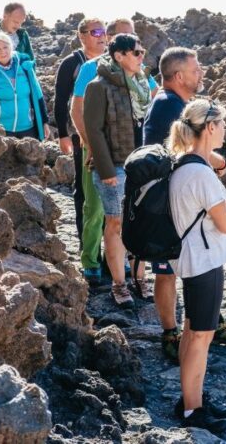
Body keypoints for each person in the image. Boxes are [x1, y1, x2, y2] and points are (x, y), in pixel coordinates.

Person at [142, 47, 226, 363]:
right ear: (178, 76)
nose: (200, 73)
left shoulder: (174, 104)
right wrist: (213, 163)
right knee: (166, 273)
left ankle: (206, 323)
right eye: (195, 69)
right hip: (168, 211)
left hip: (172, 205)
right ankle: (173, 334)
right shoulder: (168, 107)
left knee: (177, 272)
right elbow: (176, 151)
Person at [167, 99, 226, 433]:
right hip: (204, 260)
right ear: (209, 127)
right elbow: (224, 226)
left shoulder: (182, 165)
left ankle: (190, 398)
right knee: (202, 335)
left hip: (190, 257)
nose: (225, 129)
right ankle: (192, 410)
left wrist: (224, 216)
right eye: (223, 124)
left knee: (191, 331)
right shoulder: (203, 174)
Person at [71, 18, 156, 284]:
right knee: (98, 212)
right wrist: (94, 152)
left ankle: (129, 271)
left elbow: (152, 108)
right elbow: (81, 113)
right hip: (107, 159)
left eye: (141, 49)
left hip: (137, 163)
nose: (141, 55)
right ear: (117, 50)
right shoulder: (93, 75)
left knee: (133, 220)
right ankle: (93, 262)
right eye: (136, 50)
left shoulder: (142, 81)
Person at [53, 17, 107, 245]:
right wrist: (63, 135)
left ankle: (107, 241)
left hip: (108, 135)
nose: (102, 36)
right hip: (80, 134)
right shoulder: (72, 63)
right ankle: (86, 240)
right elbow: (61, 100)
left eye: (104, 31)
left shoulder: (111, 62)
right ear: (81, 35)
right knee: (85, 189)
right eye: (95, 32)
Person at [0, 30, 49, 140]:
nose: (2, 51)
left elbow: (38, 96)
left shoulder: (25, 67)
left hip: (28, 129)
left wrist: (44, 122)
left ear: (11, 47)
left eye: (5, 47)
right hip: (1, 131)